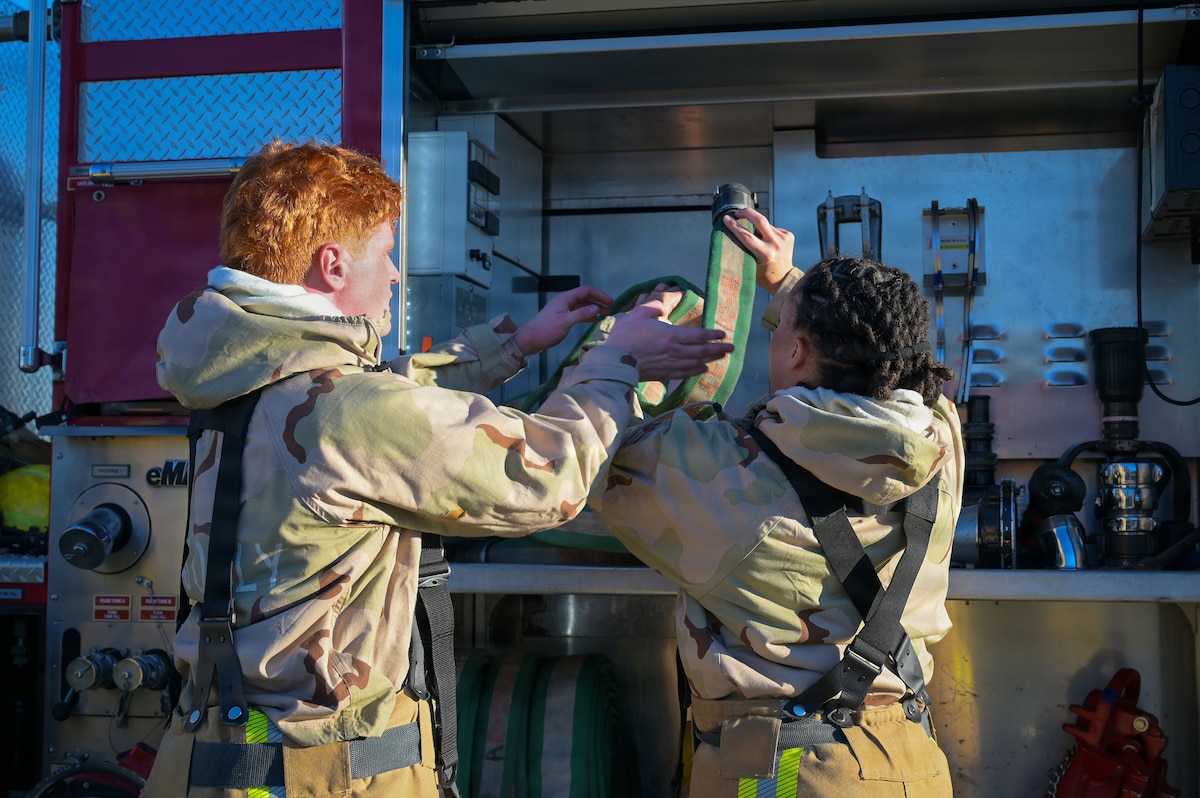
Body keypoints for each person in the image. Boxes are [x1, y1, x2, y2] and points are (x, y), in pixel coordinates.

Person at [143, 139, 733, 798]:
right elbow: (549, 479)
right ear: (333, 264)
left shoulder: (243, 371)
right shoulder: (345, 412)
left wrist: (517, 343)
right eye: (386, 253)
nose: (395, 275)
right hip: (314, 774)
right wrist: (618, 359)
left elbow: (365, 398)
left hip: (227, 752)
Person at [587, 205, 964, 797]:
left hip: (787, 772)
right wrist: (790, 287)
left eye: (782, 327)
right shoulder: (942, 440)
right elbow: (898, 374)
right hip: (910, 759)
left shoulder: (720, 471)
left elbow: (587, 457)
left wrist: (620, 352)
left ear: (794, 353)